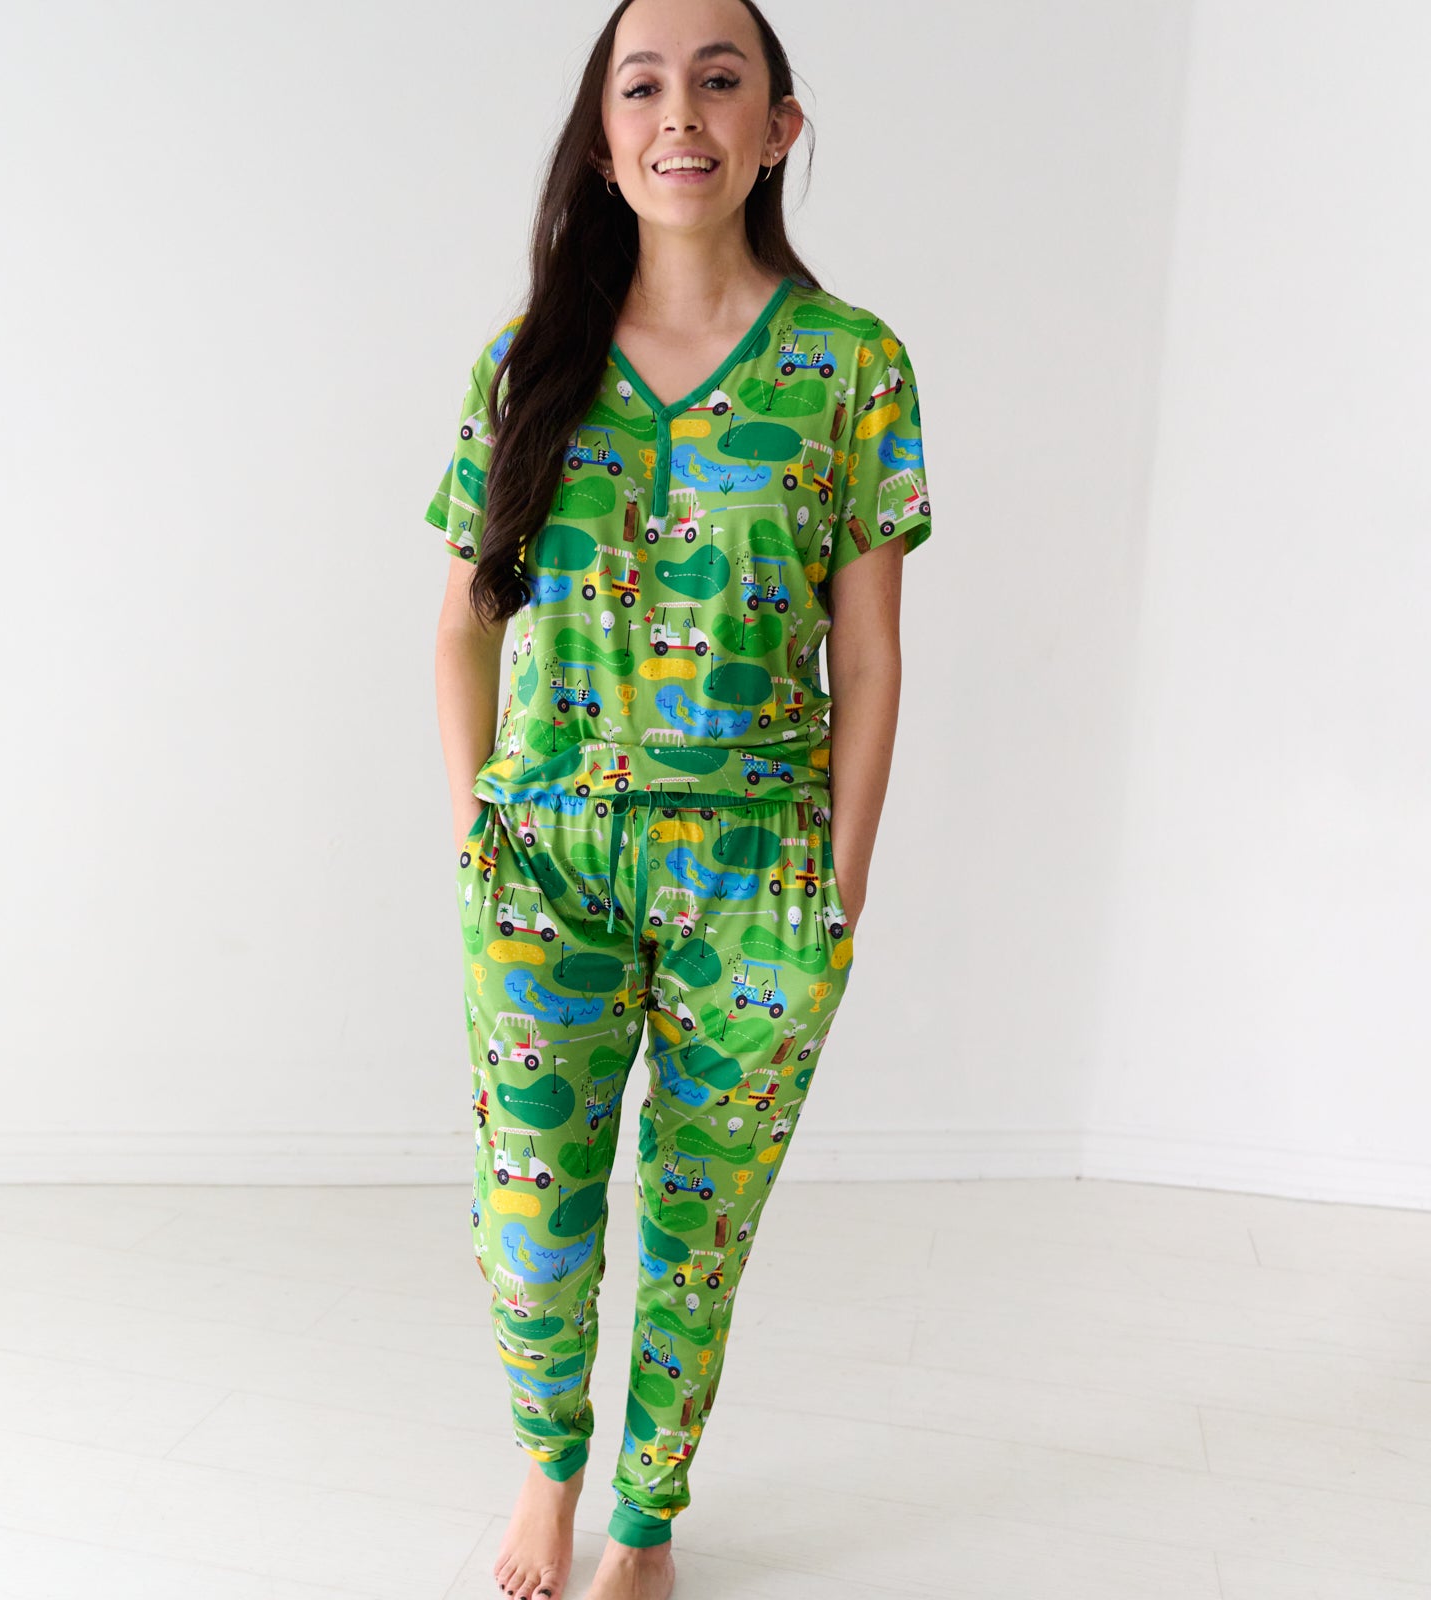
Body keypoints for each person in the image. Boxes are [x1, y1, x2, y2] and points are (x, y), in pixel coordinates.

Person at [427, 2, 930, 1595]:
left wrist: (839, 881)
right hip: (547, 857)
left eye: (722, 81)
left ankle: (644, 1520)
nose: (681, 114)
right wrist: (476, 825)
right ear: (603, 138)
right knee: (535, 1214)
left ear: (779, 128)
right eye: (641, 85)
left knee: (703, 1226)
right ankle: (547, 1473)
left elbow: (871, 650)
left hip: (758, 871)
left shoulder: (852, 366)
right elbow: (464, 623)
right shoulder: (528, 364)